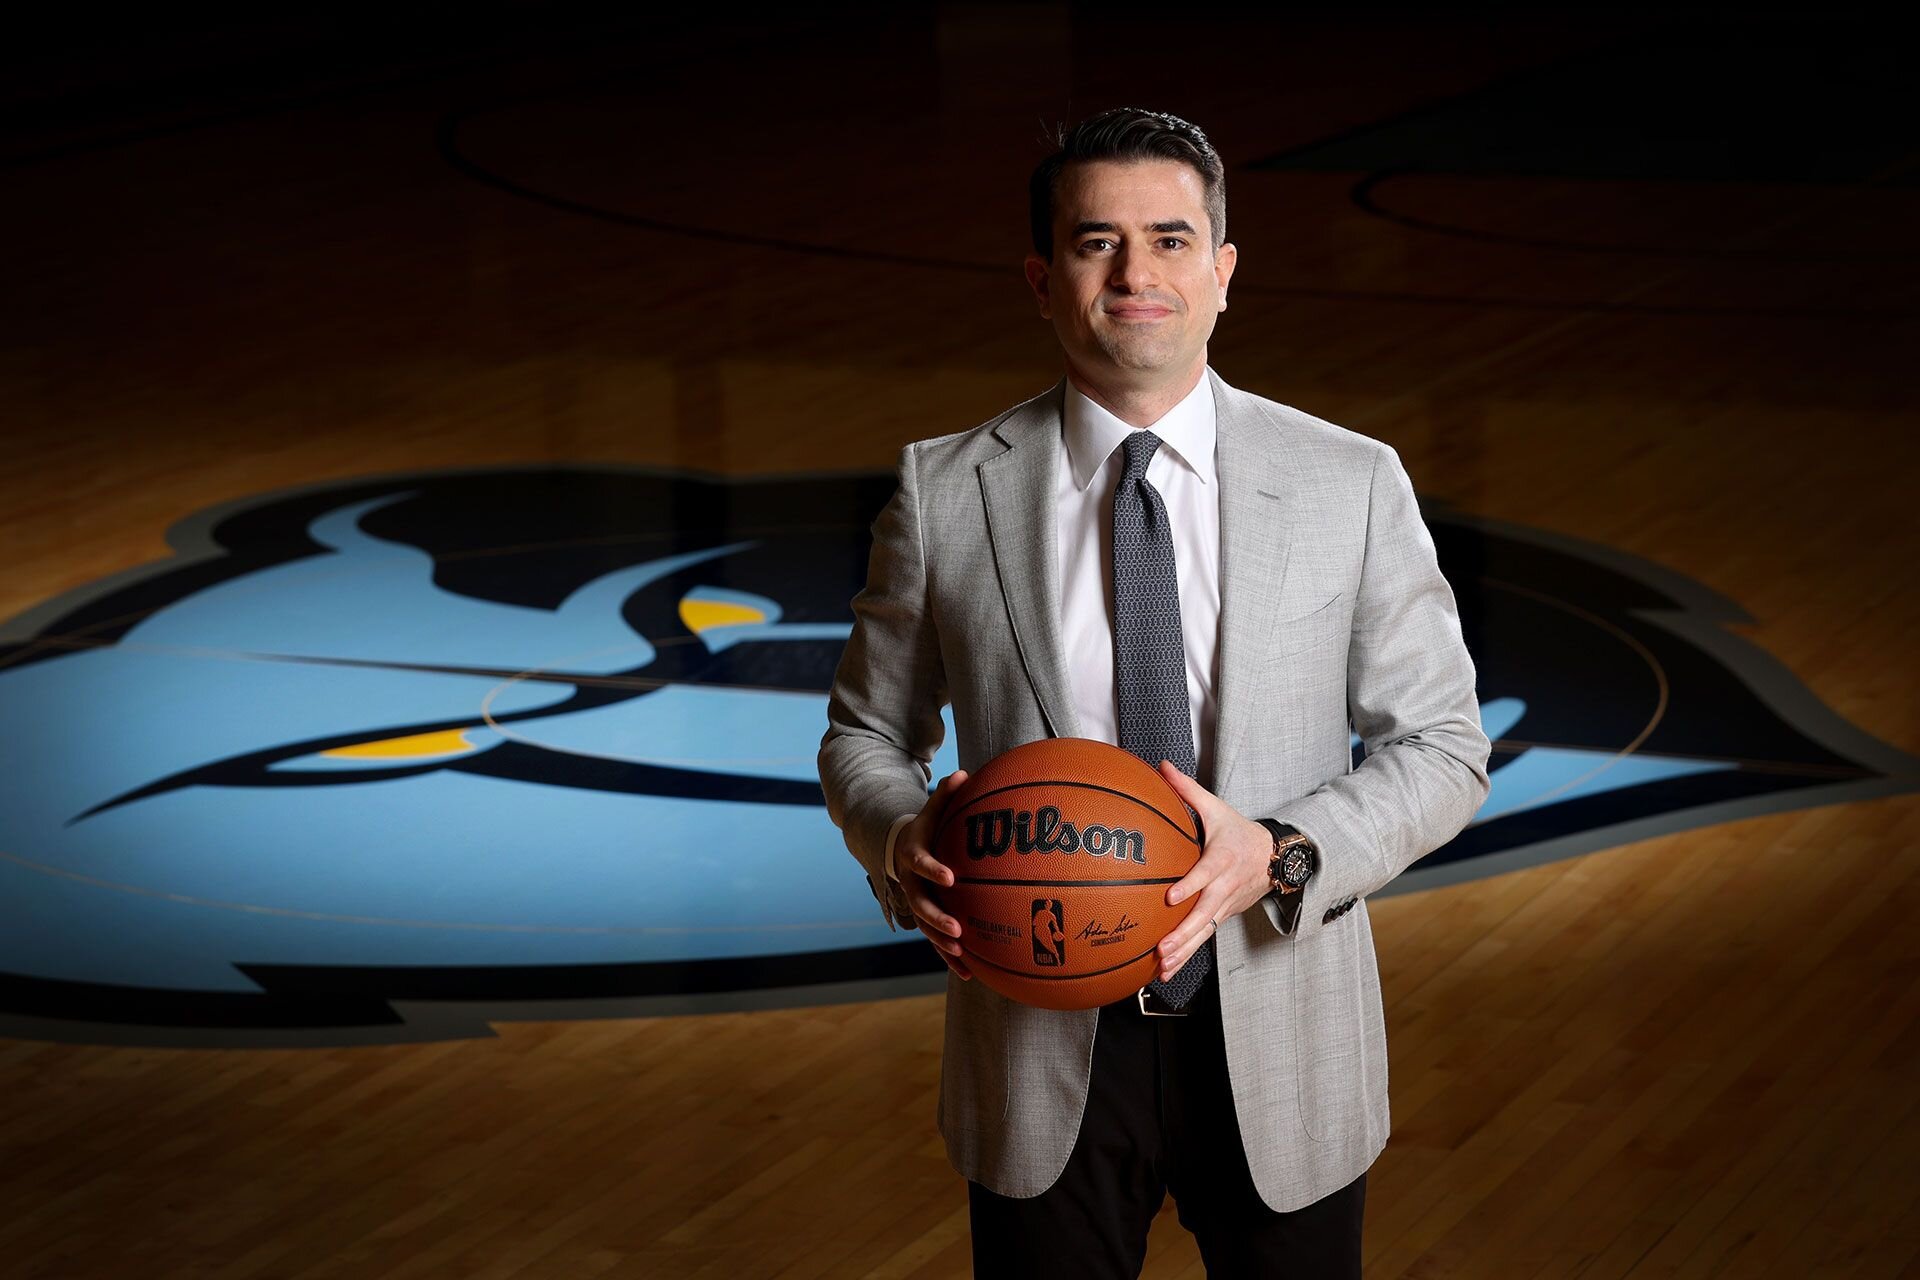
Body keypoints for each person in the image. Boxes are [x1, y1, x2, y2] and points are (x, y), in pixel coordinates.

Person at [817, 106, 1490, 1278]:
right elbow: (865, 734)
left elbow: (1442, 745)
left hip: (1277, 1019)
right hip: (1040, 1036)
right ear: (1042, 278)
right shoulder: (944, 490)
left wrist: (1278, 848)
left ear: (1224, 272)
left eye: (1172, 240)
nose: (1137, 273)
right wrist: (901, 836)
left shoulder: (1350, 480)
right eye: (1096, 243)